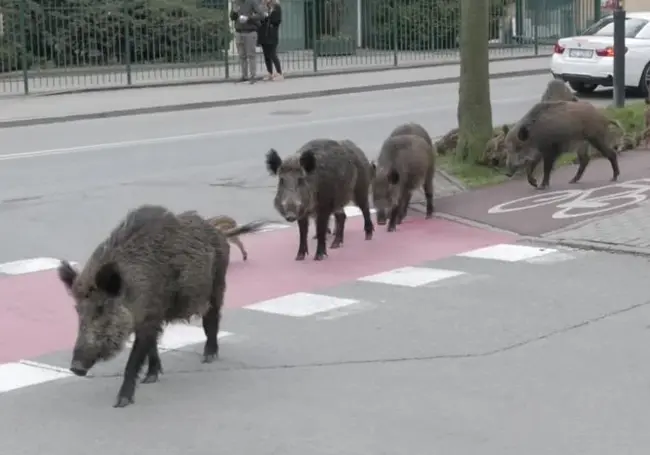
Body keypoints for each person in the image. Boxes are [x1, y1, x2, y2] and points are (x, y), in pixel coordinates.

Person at [230, 0, 265, 83]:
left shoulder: (252, 2)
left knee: (251, 55)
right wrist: (234, 12)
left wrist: (249, 18)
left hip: (250, 32)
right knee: (242, 56)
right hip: (239, 31)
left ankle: (253, 75)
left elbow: (261, 15)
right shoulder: (236, 3)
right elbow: (232, 17)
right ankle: (244, 75)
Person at [257, 0, 283, 81]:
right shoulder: (264, 7)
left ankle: (279, 73)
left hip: (272, 34)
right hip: (264, 34)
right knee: (266, 55)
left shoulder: (277, 7)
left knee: (272, 54)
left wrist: (268, 16)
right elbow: (260, 20)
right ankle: (270, 72)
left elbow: (276, 20)